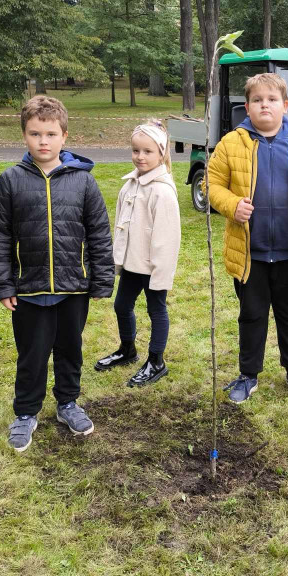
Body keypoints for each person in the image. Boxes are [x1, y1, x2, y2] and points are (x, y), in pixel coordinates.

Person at [0, 95, 114, 452]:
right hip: (29, 290)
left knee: (70, 350)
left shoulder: (84, 183)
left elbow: (99, 232)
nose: (43, 141)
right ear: (24, 136)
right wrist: (3, 284)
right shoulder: (10, 181)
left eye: (51, 134)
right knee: (32, 353)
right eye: (35, 133)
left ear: (64, 136)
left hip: (74, 288)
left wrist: (102, 279)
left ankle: (68, 403)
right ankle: (26, 412)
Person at [207, 72, 288, 404]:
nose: (265, 105)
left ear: (285, 105)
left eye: (272, 100)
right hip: (251, 253)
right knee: (252, 314)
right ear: (247, 107)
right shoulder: (232, 143)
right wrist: (232, 205)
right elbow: (212, 183)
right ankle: (248, 375)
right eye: (258, 100)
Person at [94, 120, 181, 387]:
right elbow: (121, 226)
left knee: (157, 311)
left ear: (161, 154)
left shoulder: (162, 193)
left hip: (153, 267)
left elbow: (167, 240)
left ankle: (156, 361)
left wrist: (160, 273)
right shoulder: (129, 186)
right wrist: (117, 261)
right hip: (132, 265)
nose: (140, 157)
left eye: (147, 151)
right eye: (135, 151)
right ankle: (128, 350)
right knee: (121, 305)